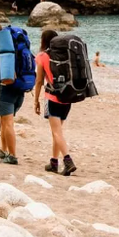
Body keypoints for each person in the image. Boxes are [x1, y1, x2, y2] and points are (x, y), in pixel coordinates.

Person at [32, 29, 76, 175]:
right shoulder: (65, 55)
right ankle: (53, 162)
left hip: (52, 98)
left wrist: (36, 100)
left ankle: (68, 161)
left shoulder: (42, 56)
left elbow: (39, 81)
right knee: (57, 132)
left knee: (56, 132)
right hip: (67, 98)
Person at [0, 24, 21, 165]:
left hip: (5, 89)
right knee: (4, 121)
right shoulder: (14, 49)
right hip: (18, 89)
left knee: (7, 123)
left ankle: (12, 155)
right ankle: (3, 150)